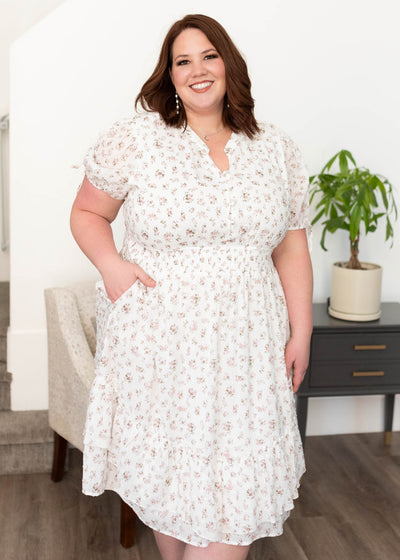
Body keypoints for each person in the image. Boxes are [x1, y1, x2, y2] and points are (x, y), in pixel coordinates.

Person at [70, 13, 313, 560]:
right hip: (160, 344)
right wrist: (112, 265)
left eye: (208, 55)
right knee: (171, 479)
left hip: (249, 348)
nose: (197, 70)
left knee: (235, 495)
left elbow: (292, 243)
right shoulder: (137, 140)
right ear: (170, 75)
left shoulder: (275, 148)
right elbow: (87, 212)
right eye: (183, 61)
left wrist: (302, 330)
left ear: (229, 64)